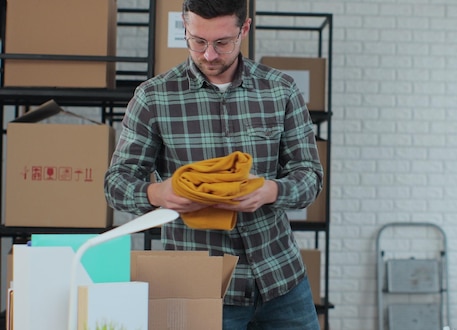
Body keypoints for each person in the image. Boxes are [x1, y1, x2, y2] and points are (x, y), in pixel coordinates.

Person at [103, 0, 324, 329]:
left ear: (244, 29)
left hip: (282, 282)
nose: (208, 54)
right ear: (185, 27)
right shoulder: (153, 97)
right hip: (201, 288)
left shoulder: (280, 90)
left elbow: (310, 176)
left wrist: (272, 190)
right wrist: (157, 193)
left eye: (222, 42)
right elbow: (115, 183)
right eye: (197, 41)